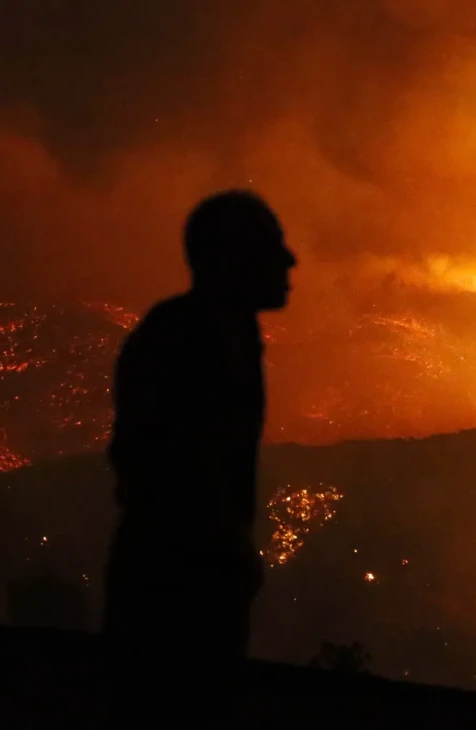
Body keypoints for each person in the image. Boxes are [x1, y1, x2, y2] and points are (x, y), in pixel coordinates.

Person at [105, 190, 296, 724]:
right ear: (233, 258)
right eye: (272, 246)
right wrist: (221, 550)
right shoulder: (190, 338)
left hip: (179, 581)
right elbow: (162, 460)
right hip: (174, 595)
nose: (289, 260)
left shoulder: (216, 332)